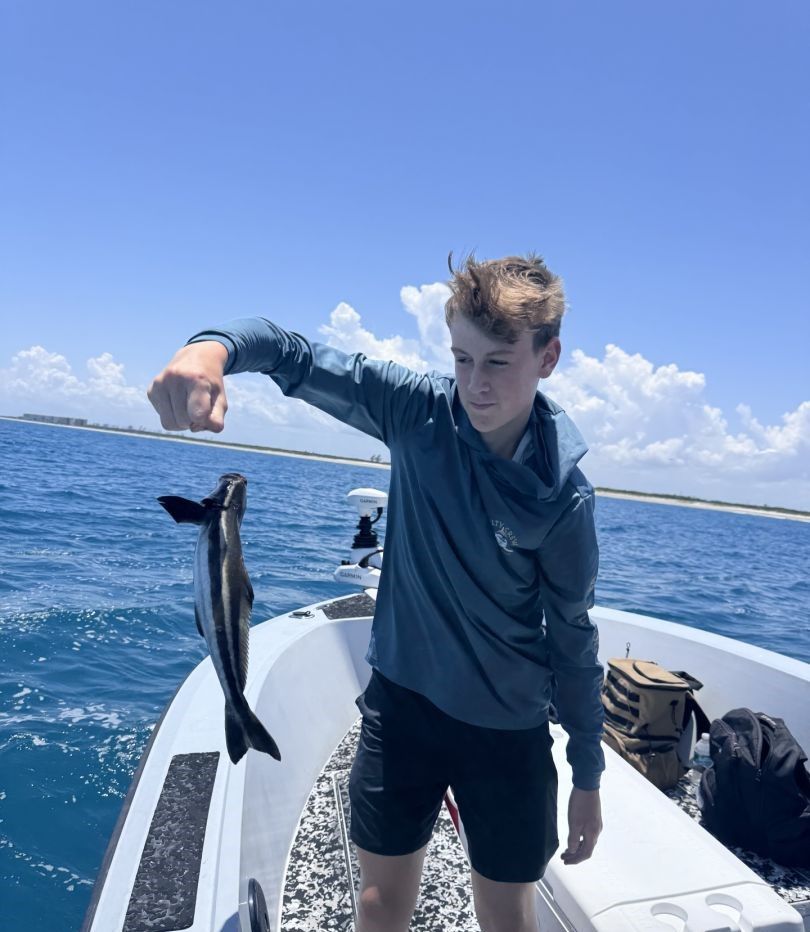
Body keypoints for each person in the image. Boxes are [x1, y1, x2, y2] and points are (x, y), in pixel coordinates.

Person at [147, 254, 604, 932]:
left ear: (548, 357)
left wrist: (587, 774)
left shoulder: (563, 498)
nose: (474, 385)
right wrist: (208, 351)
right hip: (402, 706)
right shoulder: (416, 410)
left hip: (507, 726)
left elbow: (572, 635)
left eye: (498, 363)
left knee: (507, 915)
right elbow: (289, 352)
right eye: (461, 359)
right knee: (377, 903)